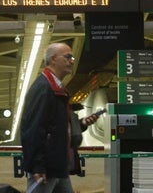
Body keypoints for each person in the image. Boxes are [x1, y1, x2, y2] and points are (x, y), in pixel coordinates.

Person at [20, 43, 99, 193]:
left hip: (58, 165)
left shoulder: (57, 88)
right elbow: (33, 128)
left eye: (72, 57)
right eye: (68, 57)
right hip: (47, 167)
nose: (72, 60)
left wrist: (80, 124)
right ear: (53, 59)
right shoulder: (44, 87)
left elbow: (57, 126)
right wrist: (38, 165)